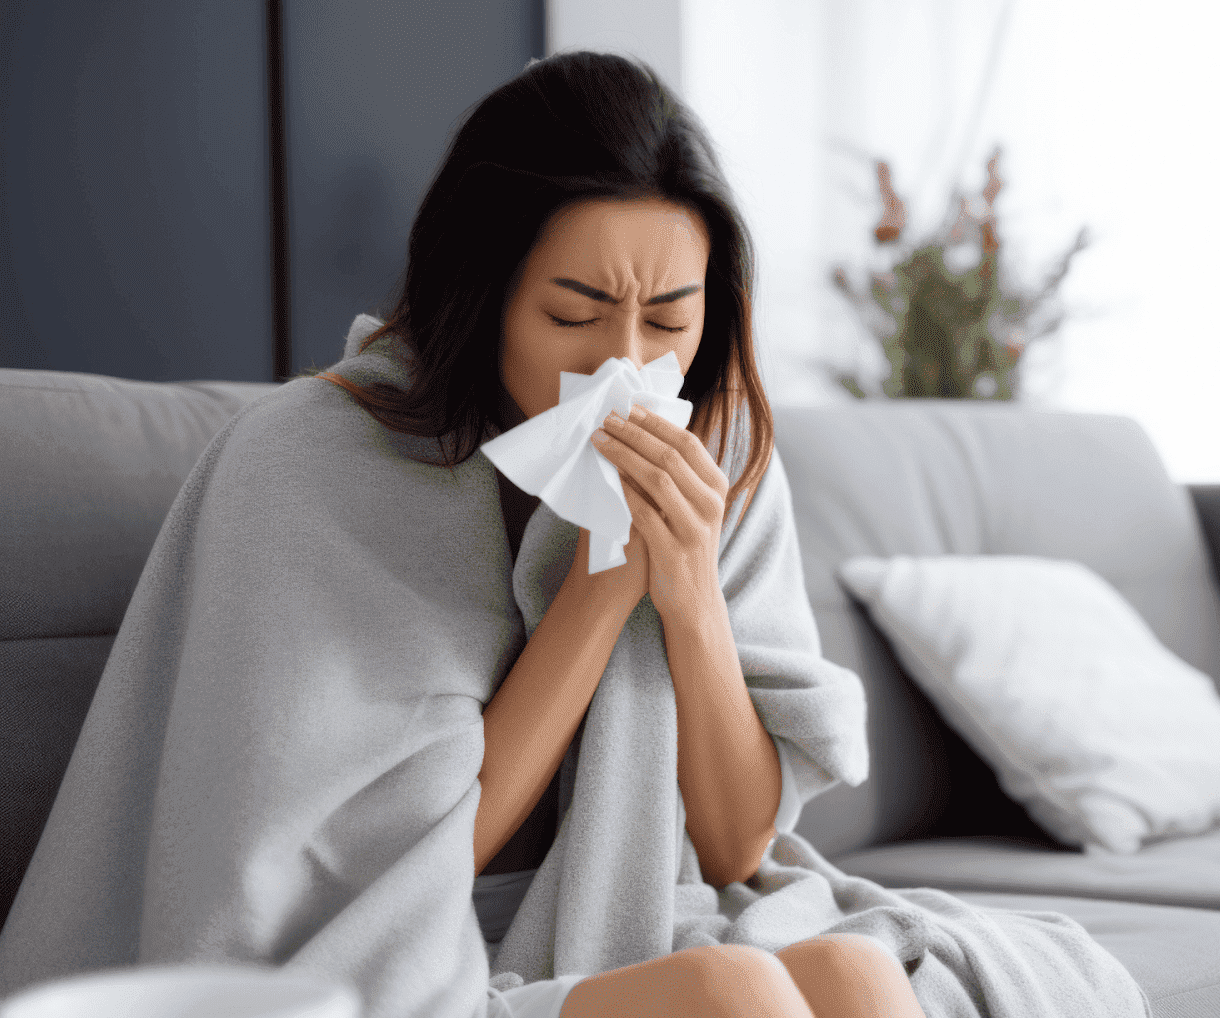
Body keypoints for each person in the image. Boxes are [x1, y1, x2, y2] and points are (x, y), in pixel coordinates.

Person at [316, 50, 926, 1018]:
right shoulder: (327, 459)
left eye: (669, 319)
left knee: (855, 971)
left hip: (641, 904)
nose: (626, 361)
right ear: (480, 297)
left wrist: (689, 598)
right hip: (401, 942)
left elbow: (734, 849)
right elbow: (400, 865)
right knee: (730, 991)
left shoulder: (716, 448)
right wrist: (601, 588)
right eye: (575, 312)